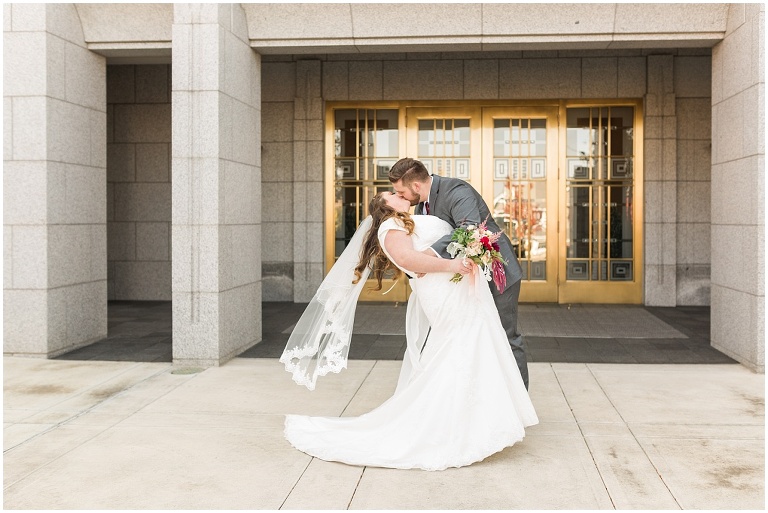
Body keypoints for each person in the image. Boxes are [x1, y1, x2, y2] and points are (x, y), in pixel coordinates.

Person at [280, 191, 538, 471]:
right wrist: (452, 264)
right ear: (385, 206)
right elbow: (409, 260)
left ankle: (473, 420)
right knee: (461, 346)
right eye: (391, 194)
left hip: (453, 288)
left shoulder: (409, 219)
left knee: (468, 345)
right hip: (443, 292)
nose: (398, 193)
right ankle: (454, 426)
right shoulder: (391, 226)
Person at [389, 158, 530, 389]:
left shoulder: (456, 190)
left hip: (496, 272)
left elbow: (469, 228)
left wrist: (429, 254)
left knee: (505, 336)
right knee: (477, 338)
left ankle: (519, 397)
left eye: (401, 192)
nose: (400, 196)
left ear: (416, 186)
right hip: (464, 280)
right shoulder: (420, 205)